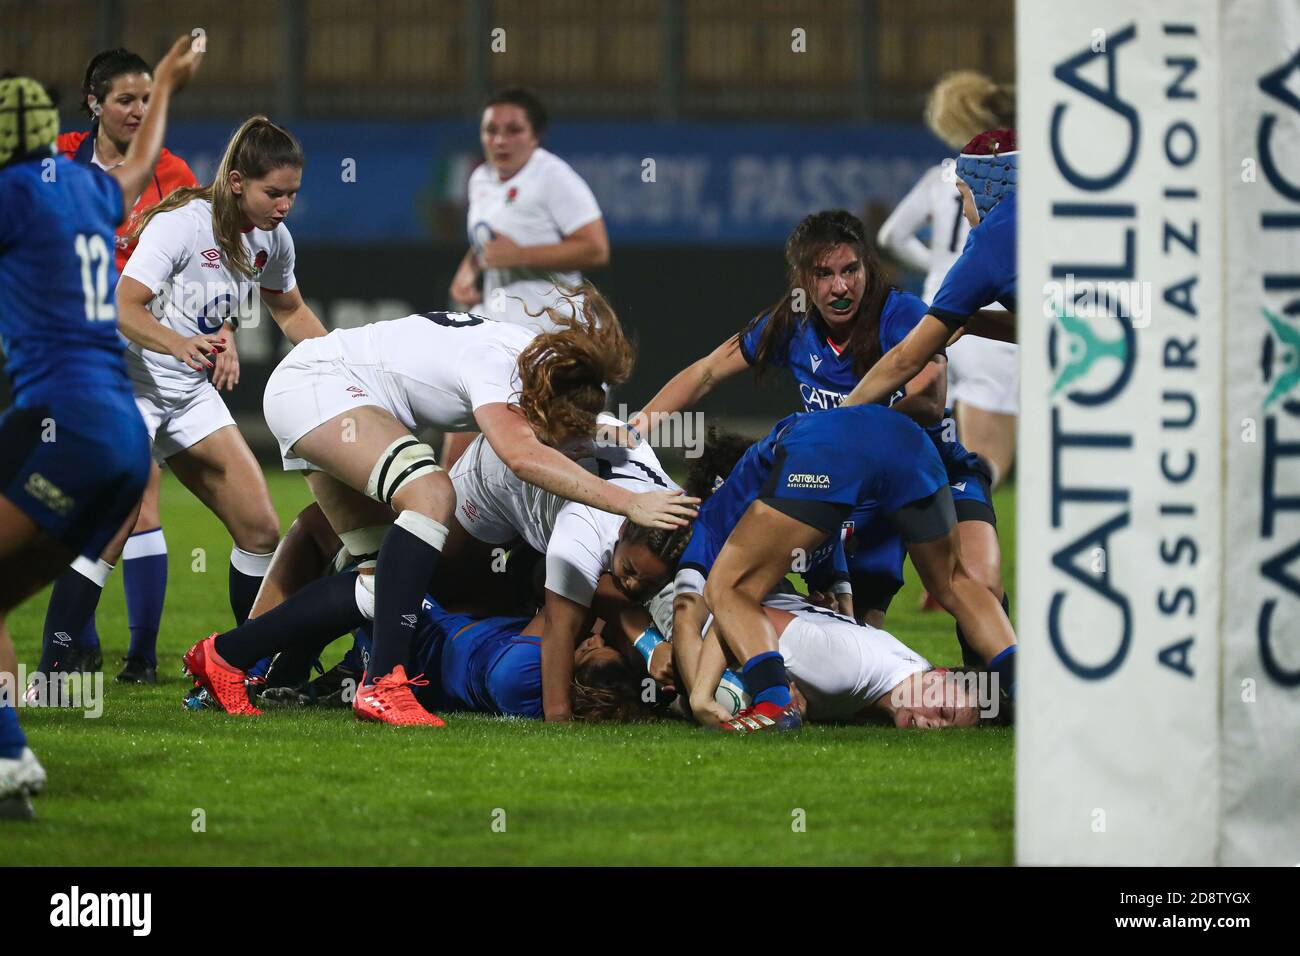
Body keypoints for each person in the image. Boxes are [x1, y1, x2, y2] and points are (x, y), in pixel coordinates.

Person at [183, 286, 695, 726]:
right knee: (432, 494)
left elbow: (561, 436)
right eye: (560, 432)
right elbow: (519, 456)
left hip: (329, 390)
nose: (560, 442)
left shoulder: (553, 377)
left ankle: (228, 661)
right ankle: (383, 683)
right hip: (321, 390)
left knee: (380, 583)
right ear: (543, 404)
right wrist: (634, 503)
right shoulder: (502, 371)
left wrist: (615, 438)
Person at [25, 115, 329, 706]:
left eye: (294, 193)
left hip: (186, 392)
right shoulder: (181, 225)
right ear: (237, 181)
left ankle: (244, 668)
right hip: (127, 381)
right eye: (275, 193)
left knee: (261, 529)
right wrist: (183, 343)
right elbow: (124, 307)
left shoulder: (271, 240)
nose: (285, 205)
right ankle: (52, 675)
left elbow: (290, 312)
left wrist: (342, 363)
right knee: (112, 524)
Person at [633, 210, 1005, 665]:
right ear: (803, 281)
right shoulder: (790, 324)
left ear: (867, 266)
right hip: (856, 489)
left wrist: (851, 427)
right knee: (858, 629)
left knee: (978, 580)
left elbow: (929, 399)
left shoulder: (898, 311)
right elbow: (708, 370)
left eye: (850, 270)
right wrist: (639, 424)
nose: (840, 287)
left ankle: (998, 695)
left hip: (938, 467)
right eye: (823, 274)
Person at [0, 35, 202, 817]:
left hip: (61, 422)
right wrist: (175, 84)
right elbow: (135, 168)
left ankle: (13, 753)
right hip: (119, 433)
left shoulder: (12, 195)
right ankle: (11, 757)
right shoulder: (84, 191)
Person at [675, 404, 1017, 734]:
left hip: (837, 446)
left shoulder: (767, 502)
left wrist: (702, 696)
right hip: (909, 443)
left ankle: (773, 701)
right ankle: (1022, 684)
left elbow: (712, 612)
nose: (933, 726)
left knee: (728, 591)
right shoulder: (725, 524)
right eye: (942, 713)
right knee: (953, 582)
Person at [37, 47, 203, 685]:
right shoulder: (59, 157)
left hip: (138, 350)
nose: (136, 111)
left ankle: (133, 656)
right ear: (93, 102)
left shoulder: (171, 171)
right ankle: (76, 646)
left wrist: (219, 330)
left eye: (145, 99)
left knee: (137, 495)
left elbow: (206, 255)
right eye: (124, 100)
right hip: (75, 351)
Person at [443, 87, 609, 468]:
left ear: (535, 135)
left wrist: (520, 256)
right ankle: (445, 524)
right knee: (459, 451)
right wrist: (466, 271)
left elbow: (595, 247)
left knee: (555, 460)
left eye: (513, 130)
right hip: (495, 333)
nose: (500, 140)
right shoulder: (481, 179)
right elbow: (486, 239)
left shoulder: (553, 177)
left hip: (552, 339)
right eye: (491, 130)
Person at [877, 71, 1018, 488]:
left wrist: (936, 263)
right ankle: (966, 525)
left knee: (939, 443)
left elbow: (890, 236)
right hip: (989, 315)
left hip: (935, 313)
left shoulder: (942, 175)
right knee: (989, 456)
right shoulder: (1016, 175)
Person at [843, 128, 1018, 410]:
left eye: (964, 195)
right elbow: (1055, 322)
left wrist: (832, 420)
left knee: (981, 449)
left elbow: (905, 360)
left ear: (988, 187)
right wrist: (975, 321)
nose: (963, 210)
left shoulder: (991, 240)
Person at [686, 591, 983, 730]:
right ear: (939, 675)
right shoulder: (847, 669)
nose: (935, 727)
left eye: (947, 730)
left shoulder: (910, 670)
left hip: (765, 595)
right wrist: (772, 679)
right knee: (732, 698)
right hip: (694, 607)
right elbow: (732, 609)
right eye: (943, 711)